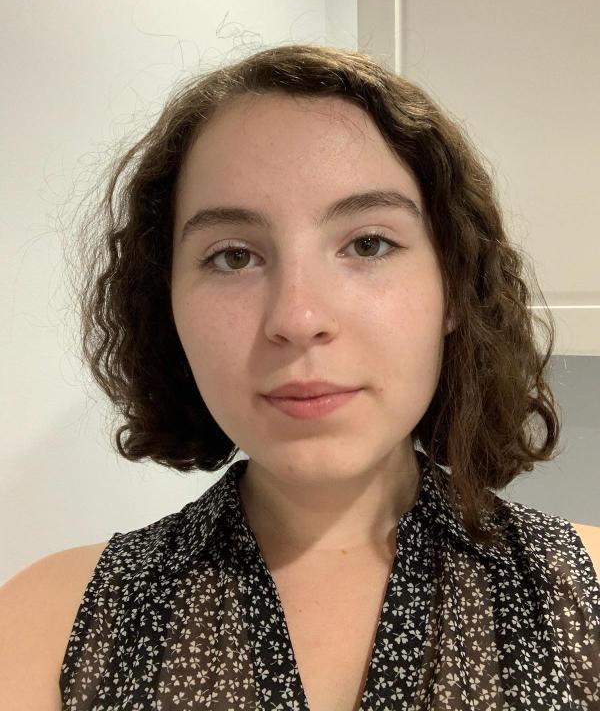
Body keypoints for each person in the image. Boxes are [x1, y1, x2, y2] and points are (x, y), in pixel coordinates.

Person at [1, 43, 599, 711]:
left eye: (368, 244)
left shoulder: (584, 597)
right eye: (233, 257)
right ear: (165, 301)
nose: (298, 317)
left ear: (454, 288)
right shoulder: (44, 628)